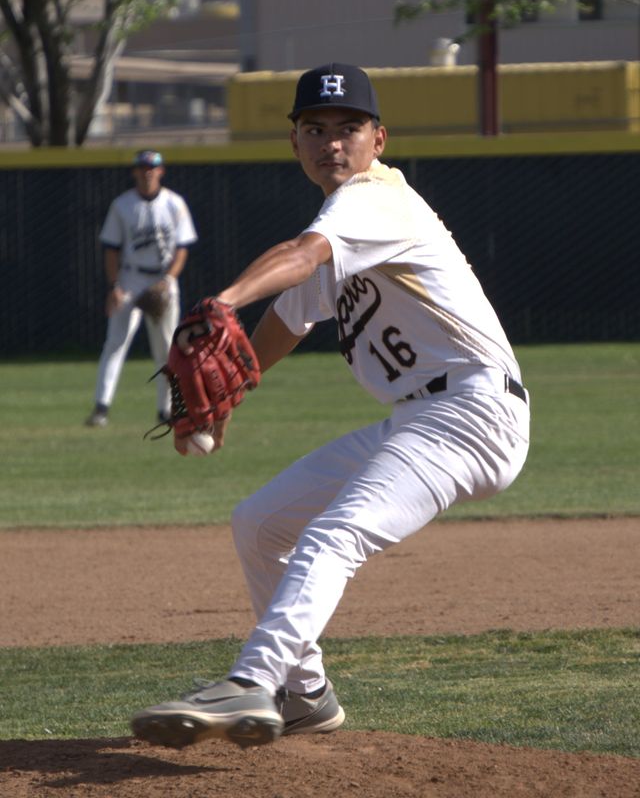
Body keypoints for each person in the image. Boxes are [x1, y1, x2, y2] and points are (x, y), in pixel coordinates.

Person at [131, 64, 530, 749]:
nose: (332, 143)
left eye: (349, 129)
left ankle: (254, 679)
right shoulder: (345, 221)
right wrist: (231, 394)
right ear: (294, 143)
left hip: (473, 413)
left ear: (379, 139)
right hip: (419, 418)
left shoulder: (374, 200)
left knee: (332, 534)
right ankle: (306, 693)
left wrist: (222, 302)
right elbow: (291, 317)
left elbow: (301, 254)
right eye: (315, 129)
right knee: (260, 523)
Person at [85, 149, 198, 428]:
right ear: (135, 171)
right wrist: (115, 287)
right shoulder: (122, 205)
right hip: (131, 278)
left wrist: (168, 280)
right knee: (115, 344)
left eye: (152, 167)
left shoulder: (175, 204)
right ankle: (101, 407)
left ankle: (166, 410)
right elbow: (111, 249)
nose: (147, 172)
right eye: (142, 167)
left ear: (161, 171)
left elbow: (182, 249)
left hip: (162, 278)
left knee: (166, 348)